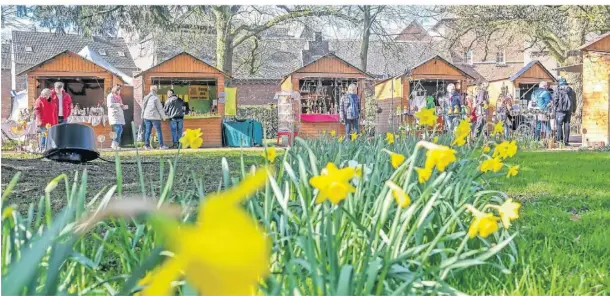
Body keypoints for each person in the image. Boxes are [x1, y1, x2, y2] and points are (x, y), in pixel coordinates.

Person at [141, 85, 169, 150]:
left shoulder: (146, 97)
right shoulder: (156, 98)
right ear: (155, 90)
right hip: (154, 117)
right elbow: (160, 108)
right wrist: (164, 117)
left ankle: (146, 146)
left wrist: (142, 116)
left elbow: (143, 108)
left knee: (147, 131)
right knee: (158, 131)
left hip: (146, 117)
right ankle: (161, 146)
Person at [553, 77, 577, 145]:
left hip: (559, 111)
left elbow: (555, 100)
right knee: (567, 125)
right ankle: (566, 142)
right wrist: (573, 110)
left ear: (560, 84)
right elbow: (574, 102)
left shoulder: (557, 90)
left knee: (559, 125)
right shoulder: (571, 91)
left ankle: (560, 141)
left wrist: (554, 109)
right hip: (569, 111)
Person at [106, 85, 128, 150]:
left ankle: (115, 144)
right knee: (118, 129)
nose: (120, 92)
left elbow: (120, 105)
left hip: (119, 115)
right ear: (116, 90)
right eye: (119, 90)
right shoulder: (110, 96)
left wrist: (123, 106)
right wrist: (119, 105)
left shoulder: (118, 97)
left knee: (120, 129)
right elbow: (109, 104)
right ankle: (114, 144)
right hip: (114, 115)